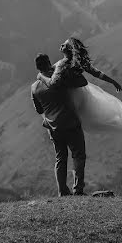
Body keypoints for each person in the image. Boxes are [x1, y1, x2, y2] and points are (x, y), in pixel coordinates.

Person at [37, 37, 122, 136]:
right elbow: (96, 73)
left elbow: (52, 83)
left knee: (67, 113)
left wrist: (41, 77)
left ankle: (50, 123)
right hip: (83, 93)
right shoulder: (78, 62)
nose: (61, 45)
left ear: (69, 49)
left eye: (64, 45)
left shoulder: (62, 64)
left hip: (71, 95)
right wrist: (112, 81)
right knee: (104, 112)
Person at [31, 53, 87, 196]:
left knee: (60, 158)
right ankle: (78, 189)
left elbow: (39, 110)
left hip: (53, 127)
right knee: (78, 155)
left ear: (37, 68)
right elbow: (82, 82)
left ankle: (62, 191)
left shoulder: (34, 87)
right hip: (71, 122)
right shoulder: (59, 78)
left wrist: (49, 119)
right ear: (49, 63)